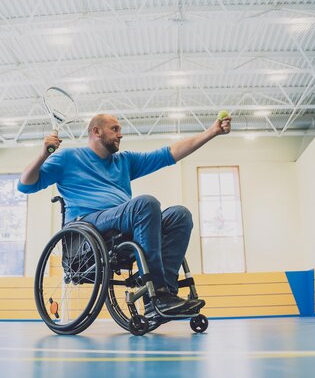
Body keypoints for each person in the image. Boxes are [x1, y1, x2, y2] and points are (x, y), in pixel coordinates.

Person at [18, 113, 232, 315]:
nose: (121, 134)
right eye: (115, 129)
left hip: (125, 224)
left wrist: (211, 132)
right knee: (145, 204)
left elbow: (170, 153)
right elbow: (25, 185)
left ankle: (165, 292)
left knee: (180, 215)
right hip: (88, 225)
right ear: (96, 131)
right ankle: (155, 295)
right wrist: (42, 155)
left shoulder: (124, 161)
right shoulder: (68, 157)